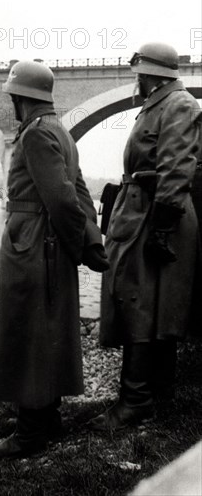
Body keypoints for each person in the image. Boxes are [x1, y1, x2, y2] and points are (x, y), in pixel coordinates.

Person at [0, 60, 109, 461]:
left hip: (32, 243)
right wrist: (89, 245)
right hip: (47, 244)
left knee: (27, 330)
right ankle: (45, 419)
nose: (11, 103)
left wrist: (76, 245)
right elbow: (81, 194)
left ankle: (30, 432)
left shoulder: (35, 135)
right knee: (47, 328)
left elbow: (62, 199)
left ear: (22, 98)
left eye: (12, 97)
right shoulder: (59, 132)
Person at [90, 42, 202, 432]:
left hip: (155, 216)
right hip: (143, 211)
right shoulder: (161, 103)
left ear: (151, 72)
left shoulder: (179, 105)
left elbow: (177, 169)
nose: (135, 80)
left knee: (144, 303)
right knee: (150, 302)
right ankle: (157, 394)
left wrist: (162, 228)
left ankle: (136, 401)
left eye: (138, 72)